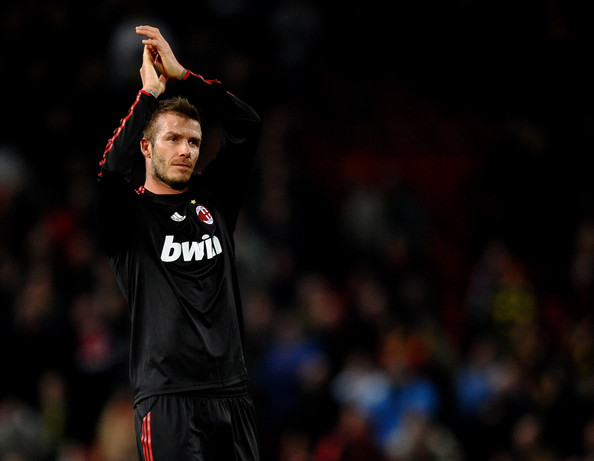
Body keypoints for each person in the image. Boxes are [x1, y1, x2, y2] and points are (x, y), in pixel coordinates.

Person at [97, 25, 261, 461]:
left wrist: (184, 77)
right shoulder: (128, 218)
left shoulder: (215, 199)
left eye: (193, 141)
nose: (186, 149)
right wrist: (150, 96)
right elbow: (111, 171)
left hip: (232, 393)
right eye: (172, 139)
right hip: (167, 398)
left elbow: (247, 125)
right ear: (146, 147)